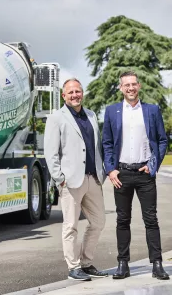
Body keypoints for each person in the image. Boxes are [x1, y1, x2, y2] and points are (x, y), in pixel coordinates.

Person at [102, 70, 169, 280]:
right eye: (126, 85)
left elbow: (161, 140)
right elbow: (107, 143)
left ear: (139, 86)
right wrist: (111, 169)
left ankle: (157, 264)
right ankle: (123, 264)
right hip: (121, 174)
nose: (130, 88)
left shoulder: (151, 110)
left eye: (133, 84)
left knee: (151, 220)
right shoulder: (112, 111)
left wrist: (153, 164)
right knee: (122, 220)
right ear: (121, 88)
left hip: (145, 173)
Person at [44, 78, 108, 281]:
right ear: (64, 96)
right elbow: (51, 152)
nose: (74, 95)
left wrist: (102, 172)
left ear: (82, 93)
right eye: (70, 92)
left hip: (93, 179)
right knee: (70, 225)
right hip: (70, 181)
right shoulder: (56, 118)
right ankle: (73, 267)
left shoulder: (91, 115)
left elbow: (97, 147)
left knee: (98, 222)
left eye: (78, 91)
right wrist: (59, 178)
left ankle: (87, 263)